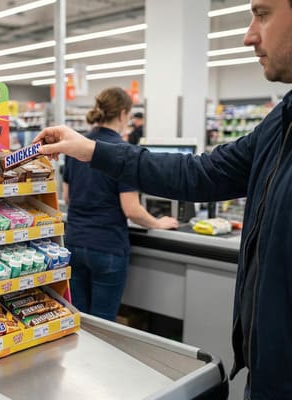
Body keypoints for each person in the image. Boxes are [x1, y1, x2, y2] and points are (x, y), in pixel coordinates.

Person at [34, 1, 292, 396]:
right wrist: (91, 150)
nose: (248, 35)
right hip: (266, 372)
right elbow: (201, 173)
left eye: (263, 13)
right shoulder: (281, 122)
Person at [63, 87, 178, 321]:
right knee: (104, 325)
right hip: (107, 247)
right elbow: (132, 210)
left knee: (78, 320)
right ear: (124, 114)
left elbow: (68, 197)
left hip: (74, 242)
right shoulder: (123, 152)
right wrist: (158, 223)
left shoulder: (77, 145)